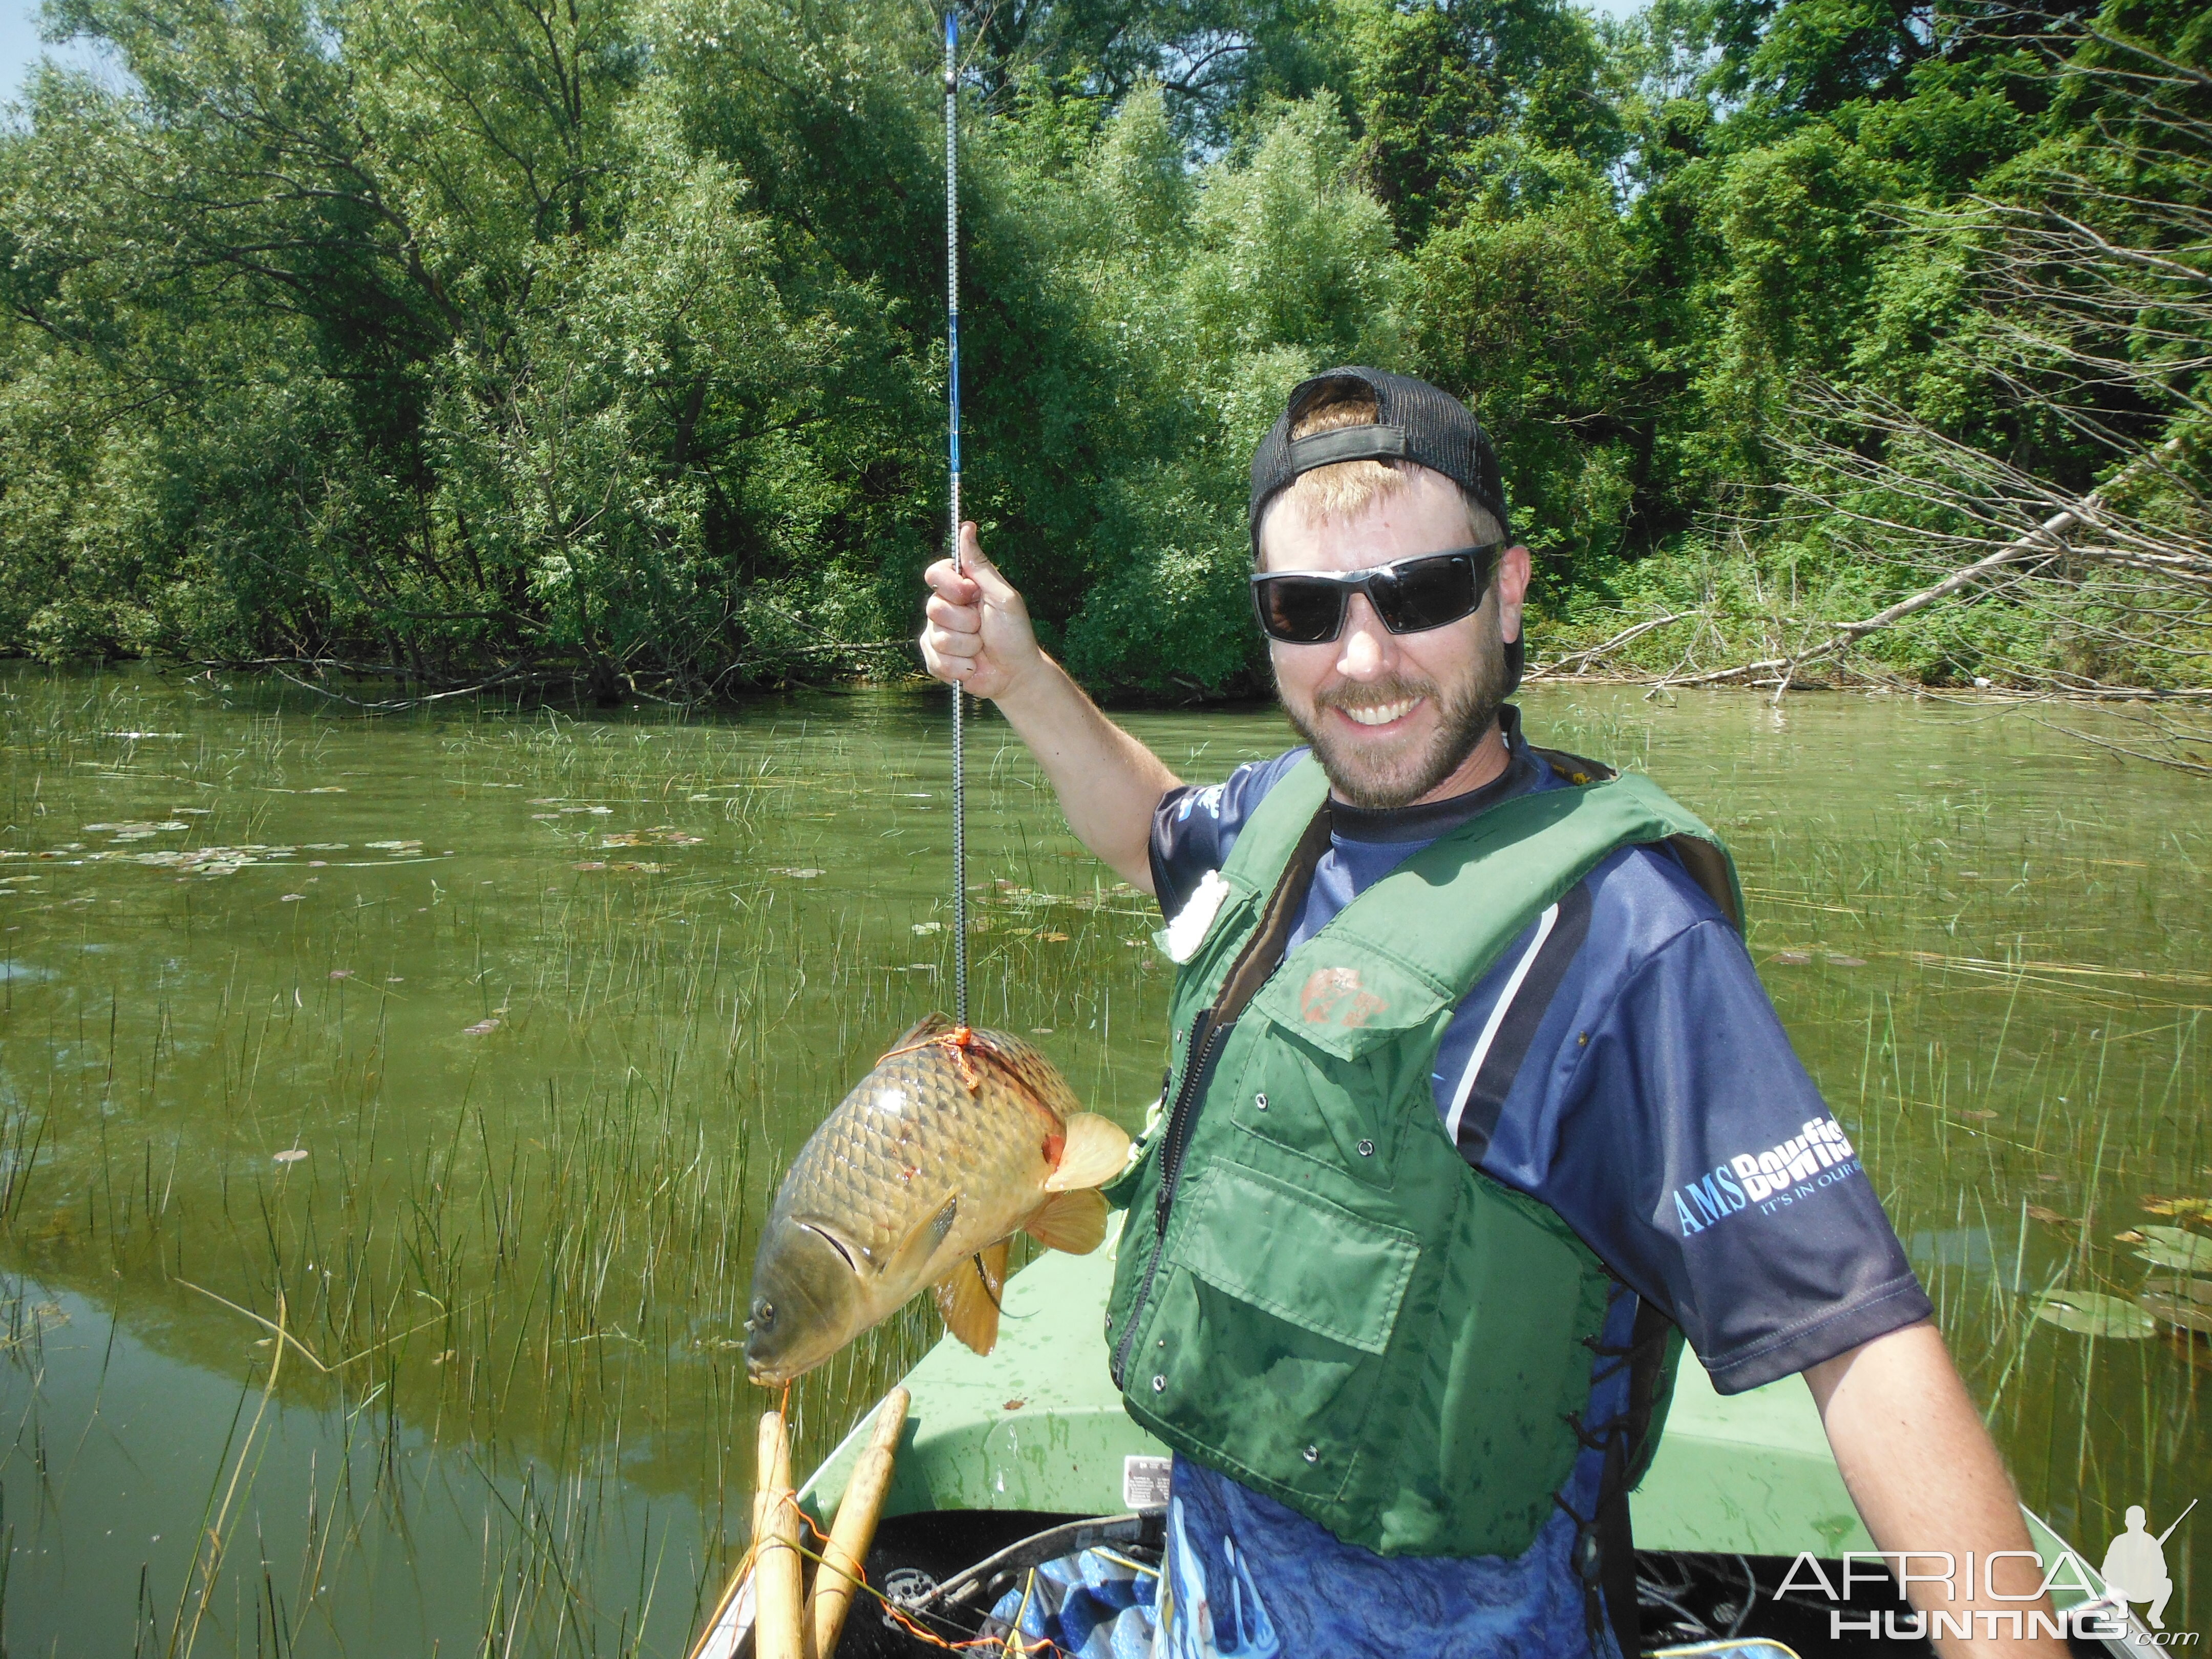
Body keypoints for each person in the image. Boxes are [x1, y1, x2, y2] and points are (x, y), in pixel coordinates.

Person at [920, 366, 2065, 1658]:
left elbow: (1860, 1345)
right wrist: (1018, 679)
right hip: (1211, 1576)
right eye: (1305, 609)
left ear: (1508, 591)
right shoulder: (1283, 811)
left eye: (1420, 594)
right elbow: (1151, 836)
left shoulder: (1625, 939)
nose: (1363, 660)